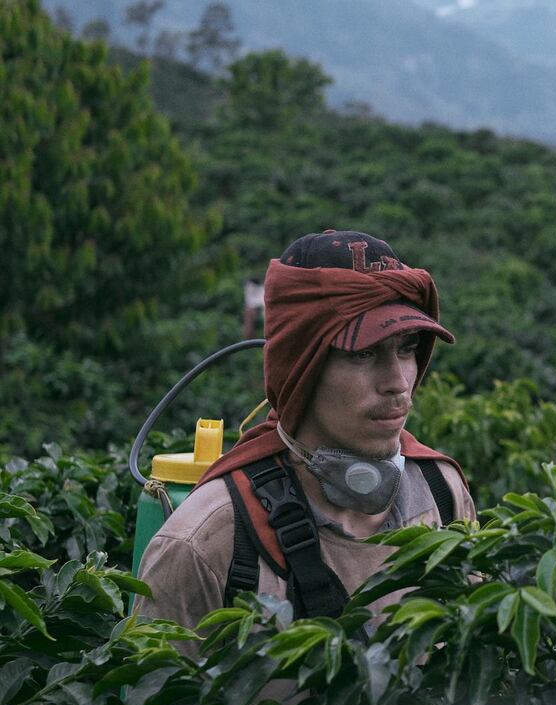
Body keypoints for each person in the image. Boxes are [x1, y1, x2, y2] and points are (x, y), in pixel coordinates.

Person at [135, 229, 476, 638]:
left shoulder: (442, 491)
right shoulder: (207, 542)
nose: (398, 382)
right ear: (301, 365)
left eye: (407, 348)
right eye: (364, 353)